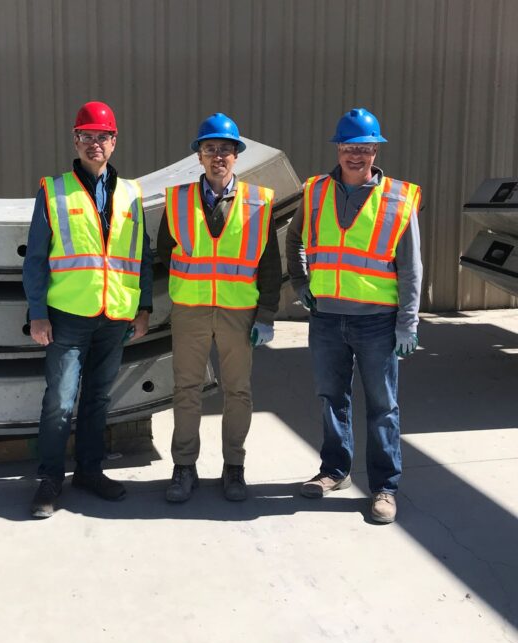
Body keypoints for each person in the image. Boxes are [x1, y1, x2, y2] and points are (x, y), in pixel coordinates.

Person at [286, 108, 422, 524]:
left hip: (377, 322)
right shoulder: (315, 192)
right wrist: (300, 282)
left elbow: (411, 266)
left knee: (382, 406)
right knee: (331, 399)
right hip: (327, 318)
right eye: (349, 147)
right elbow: (294, 238)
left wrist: (408, 322)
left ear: (376, 150)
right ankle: (334, 471)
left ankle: (384, 487)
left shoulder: (398, 199)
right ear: (338, 149)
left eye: (365, 148)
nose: (356, 155)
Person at [23, 100, 153, 518]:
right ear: (75, 140)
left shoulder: (131, 193)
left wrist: (144, 307)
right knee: (60, 401)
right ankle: (49, 479)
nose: (95, 144)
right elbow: (36, 257)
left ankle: (90, 471)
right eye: (87, 136)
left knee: (98, 399)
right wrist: (37, 312)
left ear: (114, 142)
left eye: (103, 137)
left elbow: (142, 257)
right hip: (67, 317)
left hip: (115, 317)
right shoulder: (54, 190)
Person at [157, 113, 281, 503]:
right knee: (186, 390)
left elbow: (271, 265)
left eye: (225, 150)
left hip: (238, 314)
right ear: (199, 156)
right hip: (190, 311)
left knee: (238, 392)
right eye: (210, 149)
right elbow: (165, 253)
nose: (218, 156)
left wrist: (265, 316)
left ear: (236, 156)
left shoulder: (259, 202)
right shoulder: (176, 200)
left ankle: (235, 468)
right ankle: (184, 467)